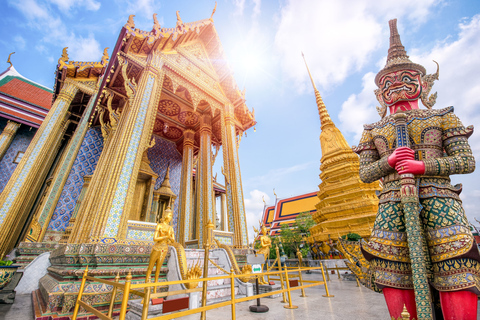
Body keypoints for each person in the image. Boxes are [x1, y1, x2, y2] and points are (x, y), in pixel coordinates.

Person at [354, 19, 479, 319]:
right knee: (393, 276)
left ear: (423, 83)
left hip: (441, 205)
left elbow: (466, 161)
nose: (396, 83)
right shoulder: (373, 130)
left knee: (456, 272)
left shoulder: (443, 116)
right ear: (380, 92)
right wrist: (391, 162)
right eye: (388, 81)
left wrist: (421, 165)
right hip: (392, 208)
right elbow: (365, 173)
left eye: (406, 77)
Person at [145, 206, 175, 287]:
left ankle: (155, 290)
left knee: (158, 269)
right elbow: (155, 238)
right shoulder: (159, 226)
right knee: (150, 268)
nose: (171, 218)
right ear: (165, 215)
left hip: (164, 249)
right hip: (156, 248)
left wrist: (170, 238)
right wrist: (165, 237)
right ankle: (146, 288)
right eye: (169, 215)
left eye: (171, 216)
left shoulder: (170, 228)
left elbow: (172, 241)